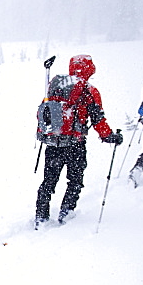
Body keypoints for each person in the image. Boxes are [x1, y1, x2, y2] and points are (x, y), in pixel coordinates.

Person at [35, 54, 122, 226]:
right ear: (89, 69)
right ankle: (66, 213)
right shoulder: (88, 90)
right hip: (75, 144)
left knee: (49, 181)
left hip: (53, 142)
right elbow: (98, 119)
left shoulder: (56, 85)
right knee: (74, 180)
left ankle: (41, 217)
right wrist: (109, 136)